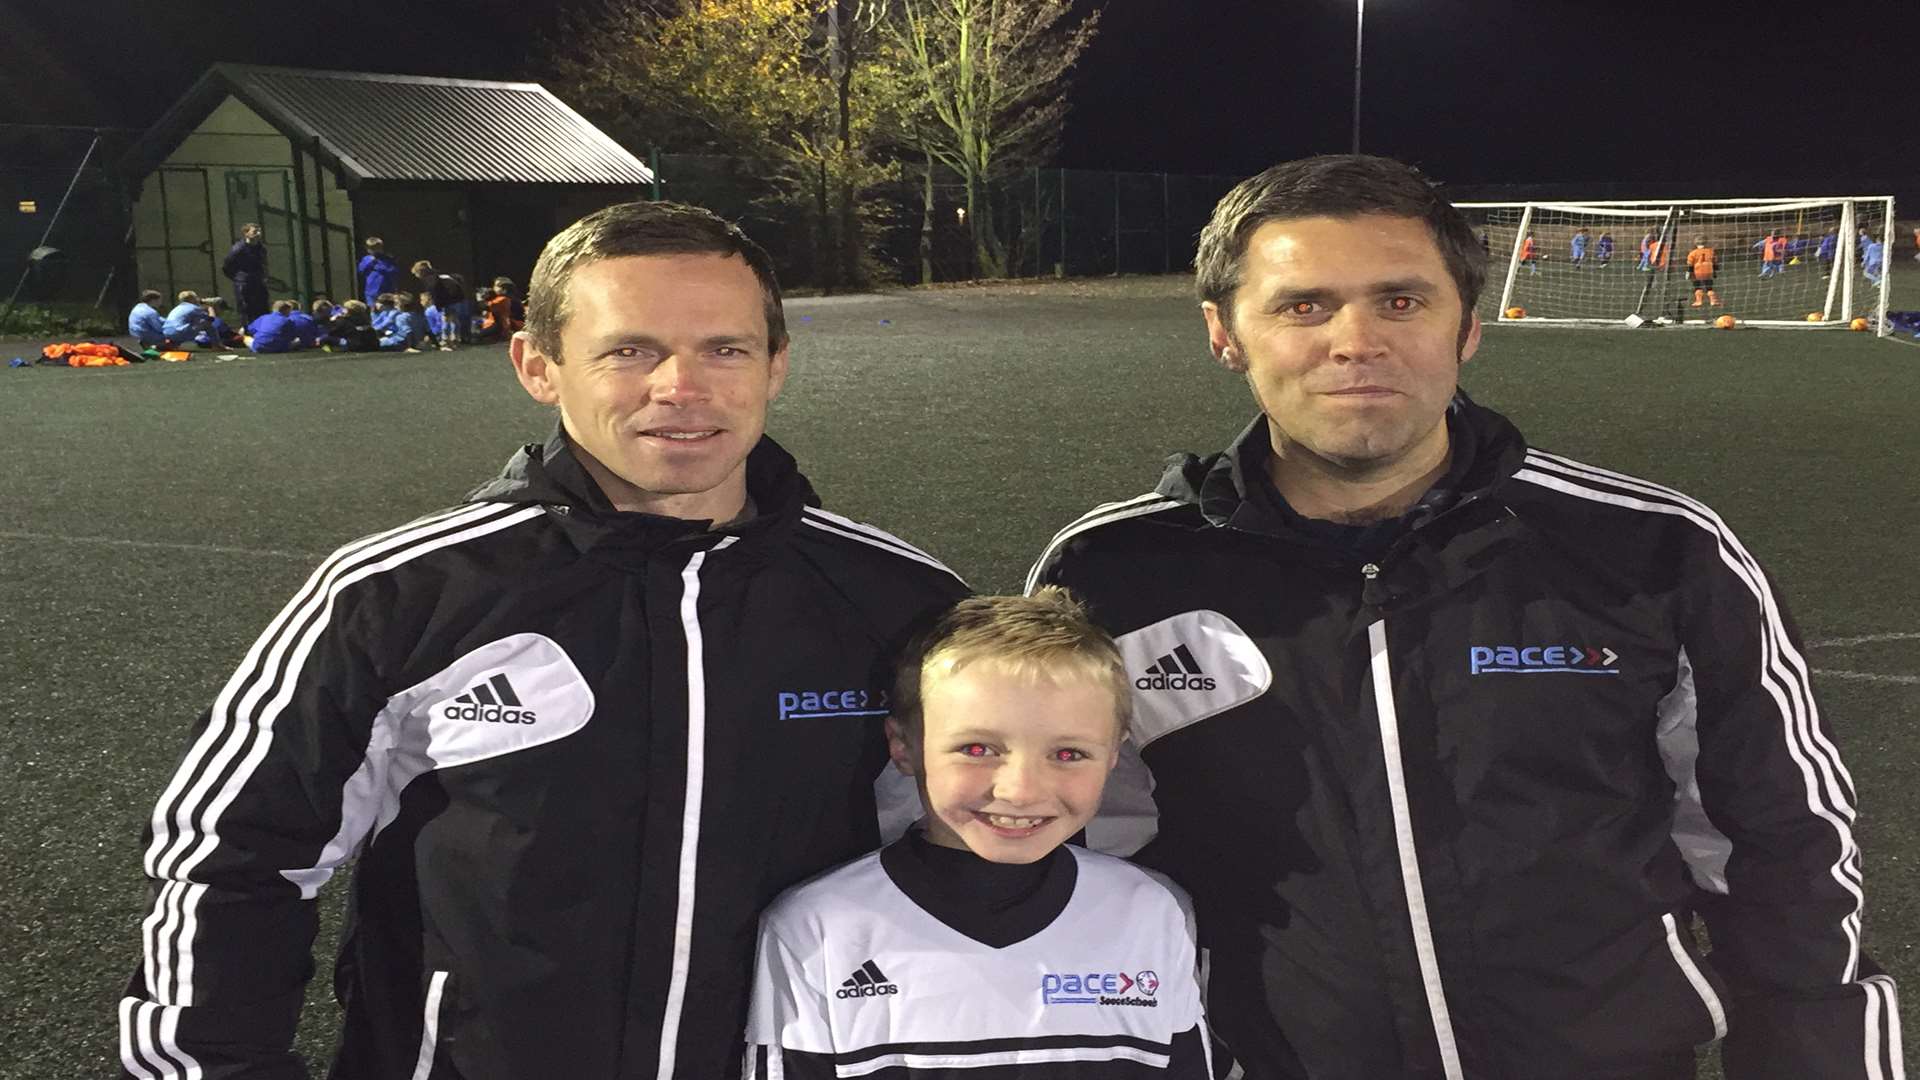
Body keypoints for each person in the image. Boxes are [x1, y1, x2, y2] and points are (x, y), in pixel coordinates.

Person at [1030, 154, 1901, 1080]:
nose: (1356, 340)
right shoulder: (1111, 577)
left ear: (1469, 326)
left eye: (1401, 301)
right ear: (1224, 333)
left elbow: (1783, 854)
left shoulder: (1656, 550)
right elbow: (1062, 864)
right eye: (1304, 305)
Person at [117, 200, 968, 1080]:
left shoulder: (898, 600)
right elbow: (231, 857)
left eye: (726, 348)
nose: (682, 386)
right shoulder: (396, 597)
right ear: (539, 367)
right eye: (629, 350)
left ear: (776, 364)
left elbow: (975, 859)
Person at [744, 589, 1214, 1077]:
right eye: (976, 748)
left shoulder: (1153, 912)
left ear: (1114, 755)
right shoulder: (818, 928)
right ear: (903, 746)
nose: (1020, 790)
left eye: (1068, 754)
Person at [414, 259, 469, 349]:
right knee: (454, 319)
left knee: (446, 319)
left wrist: (438, 305)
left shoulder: (430, 280)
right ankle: (456, 338)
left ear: (420, 272)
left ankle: (445, 340)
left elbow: (435, 292)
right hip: (458, 298)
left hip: (448, 300)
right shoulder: (441, 275)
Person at [221, 222, 270, 323]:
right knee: (247, 309)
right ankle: (248, 331)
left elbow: (263, 264)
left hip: (258, 282)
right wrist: (239, 278)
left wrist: (264, 276)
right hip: (245, 284)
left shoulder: (261, 248)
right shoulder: (239, 249)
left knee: (262, 307)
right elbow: (227, 265)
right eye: (255, 231)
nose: (259, 233)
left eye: (259, 231)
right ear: (246, 233)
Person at [358, 236, 402, 306]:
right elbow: (361, 270)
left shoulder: (388, 259)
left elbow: (393, 271)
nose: (375, 250)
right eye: (372, 248)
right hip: (371, 290)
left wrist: (379, 267)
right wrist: (372, 261)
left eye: (377, 248)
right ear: (368, 249)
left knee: (387, 309)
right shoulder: (366, 259)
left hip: (387, 290)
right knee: (373, 310)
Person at [1686, 236, 1721, 307]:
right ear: (1706, 242)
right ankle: (1713, 301)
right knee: (1709, 286)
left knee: (1697, 286)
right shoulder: (1711, 251)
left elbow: (1690, 264)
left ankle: (1698, 301)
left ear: (1695, 244)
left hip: (1697, 272)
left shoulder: (1692, 253)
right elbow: (1714, 262)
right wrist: (1715, 271)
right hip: (1708, 272)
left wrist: (1689, 272)